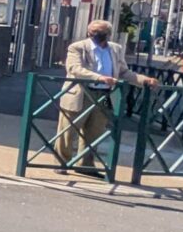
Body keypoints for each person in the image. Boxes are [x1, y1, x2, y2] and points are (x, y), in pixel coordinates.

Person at [59, 19, 155, 172]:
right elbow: (74, 68)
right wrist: (99, 77)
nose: (96, 35)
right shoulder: (77, 47)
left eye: (100, 32)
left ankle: (85, 165)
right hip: (81, 93)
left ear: (108, 34)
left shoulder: (116, 49)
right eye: (93, 31)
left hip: (104, 95)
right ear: (88, 32)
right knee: (68, 130)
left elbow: (124, 72)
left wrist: (144, 80)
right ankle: (62, 162)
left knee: (94, 132)